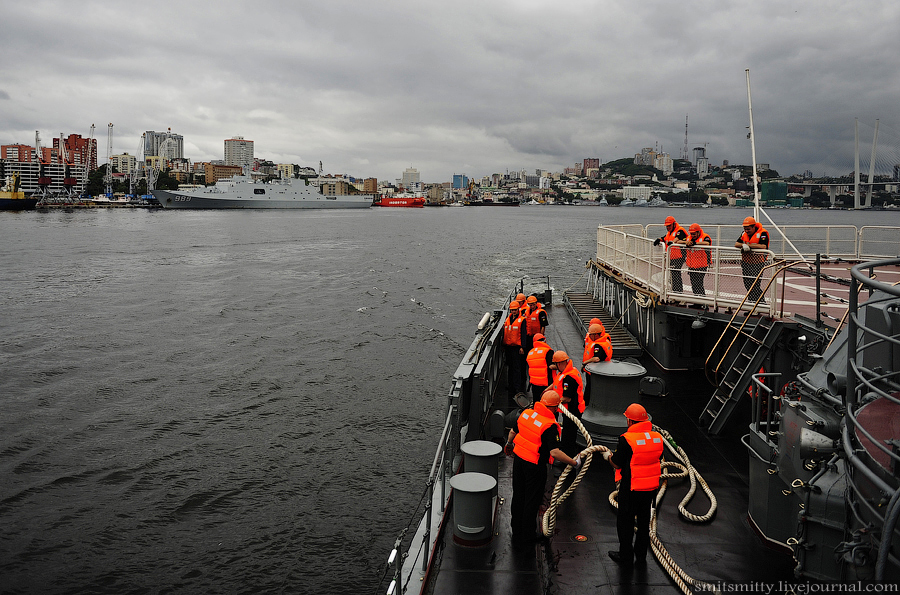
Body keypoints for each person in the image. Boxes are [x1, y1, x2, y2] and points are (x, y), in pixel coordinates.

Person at [505, 390, 581, 546]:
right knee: (531, 501)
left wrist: (508, 444)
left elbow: (513, 431)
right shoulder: (549, 426)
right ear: (553, 408)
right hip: (534, 466)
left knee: (518, 496)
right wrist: (574, 462)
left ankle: (516, 530)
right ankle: (528, 537)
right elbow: (554, 452)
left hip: (519, 461)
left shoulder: (526, 414)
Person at [604, 403, 664, 568]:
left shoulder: (626, 440)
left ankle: (626, 556)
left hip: (631, 488)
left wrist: (607, 456)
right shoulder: (657, 438)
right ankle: (641, 555)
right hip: (650, 489)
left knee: (626, 523)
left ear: (630, 421)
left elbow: (616, 464)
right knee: (644, 523)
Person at [548, 350, 585, 458]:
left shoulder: (569, 378)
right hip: (569, 410)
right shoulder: (568, 371)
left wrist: (551, 401)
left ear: (559, 363)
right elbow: (555, 384)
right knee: (567, 434)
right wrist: (546, 392)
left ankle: (568, 458)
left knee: (569, 436)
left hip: (573, 411)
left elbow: (567, 398)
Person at [734, 216, 770, 303]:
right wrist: (743, 245)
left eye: (748, 229)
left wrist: (748, 246)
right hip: (746, 262)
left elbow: (763, 246)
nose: (746, 231)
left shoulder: (763, 233)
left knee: (755, 284)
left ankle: (760, 304)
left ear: (754, 227)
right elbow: (736, 244)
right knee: (747, 284)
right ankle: (752, 303)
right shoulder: (743, 233)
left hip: (758, 263)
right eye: (745, 229)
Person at [653, 216, 687, 293]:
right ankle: (675, 291)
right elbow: (665, 238)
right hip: (671, 257)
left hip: (679, 256)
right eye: (667, 226)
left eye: (669, 225)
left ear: (674, 224)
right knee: (673, 275)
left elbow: (677, 238)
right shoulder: (669, 232)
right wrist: (659, 240)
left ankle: (679, 293)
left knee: (676, 275)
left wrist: (672, 242)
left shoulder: (680, 230)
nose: (668, 227)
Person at [581, 323, 612, 407]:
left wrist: (585, 362)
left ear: (596, 335)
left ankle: (587, 405)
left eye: (591, 335)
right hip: (603, 368)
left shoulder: (598, 345)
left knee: (590, 388)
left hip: (595, 371)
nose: (589, 337)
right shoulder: (605, 340)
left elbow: (596, 358)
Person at [503, 300, 528, 398]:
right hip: (508, 346)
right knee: (510, 367)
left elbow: (523, 334)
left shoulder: (522, 320)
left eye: (515, 310)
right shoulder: (508, 319)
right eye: (512, 310)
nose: (513, 312)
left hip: (517, 347)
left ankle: (517, 387)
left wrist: (522, 347)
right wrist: (503, 345)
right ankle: (510, 385)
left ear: (518, 310)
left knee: (516, 368)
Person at [681, 223, 712, 296]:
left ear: (698, 232)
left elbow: (707, 243)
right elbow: (678, 242)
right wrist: (686, 242)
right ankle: (697, 301)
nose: (692, 235)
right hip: (692, 266)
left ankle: (703, 301)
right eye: (691, 234)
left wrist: (695, 243)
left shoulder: (705, 237)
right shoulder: (689, 238)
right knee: (694, 284)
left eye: (694, 234)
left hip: (702, 265)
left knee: (699, 284)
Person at [525, 333, 554, 404]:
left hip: (534, 384)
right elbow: (551, 366)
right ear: (544, 340)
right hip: (546, 383)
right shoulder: (548, 351)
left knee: (537, 403)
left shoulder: (530, 352)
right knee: (548, 403)